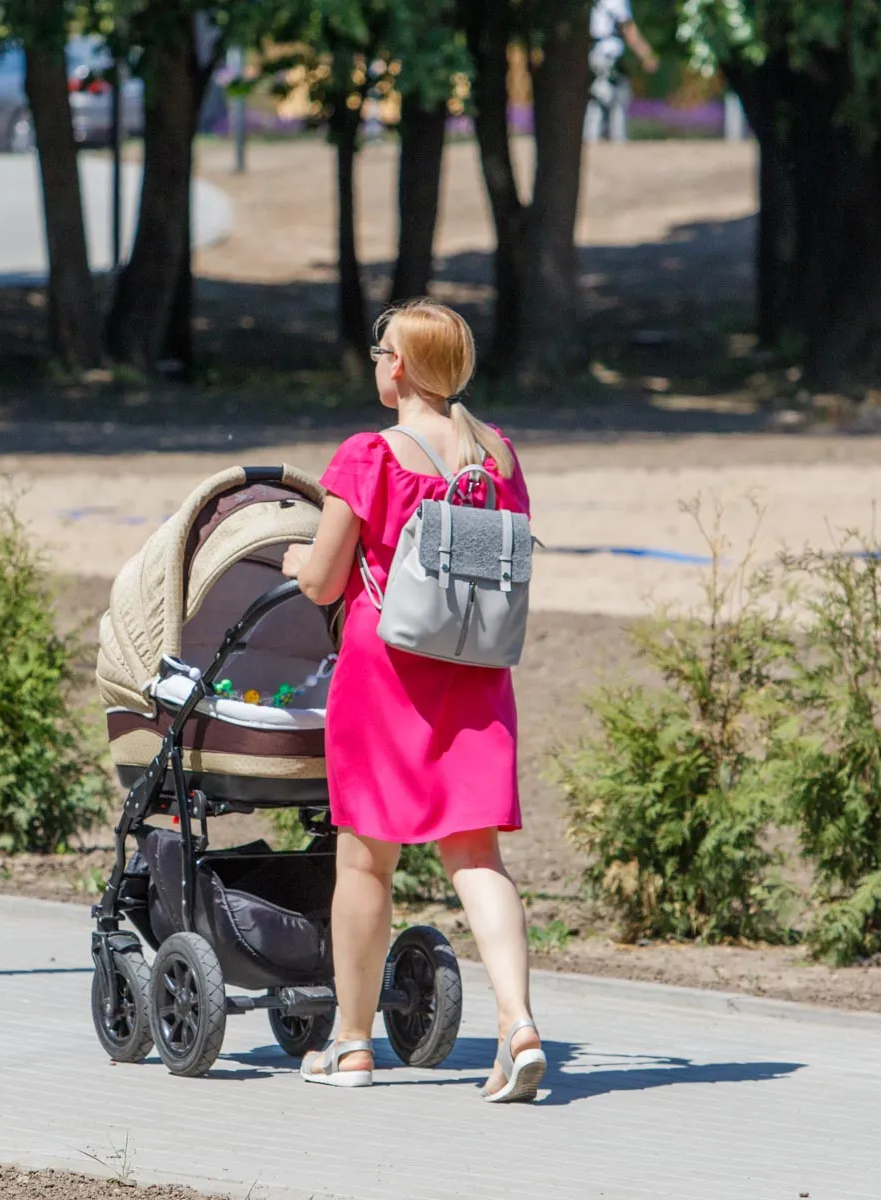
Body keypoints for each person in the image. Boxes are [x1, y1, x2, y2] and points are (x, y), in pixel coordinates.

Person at [280, 300, 545, 1102]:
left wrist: (296, 559)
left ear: (398, 368)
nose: (375, 360)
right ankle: (519, 1022)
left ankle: (353, 1046)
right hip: (474, 670)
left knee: (366, 860)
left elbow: (326, 579)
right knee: (477, 858)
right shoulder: (496, 456)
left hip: (387, 672)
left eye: (380, 350)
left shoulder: (372, 455)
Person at [584, 0, 658, 144]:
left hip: (593, 54)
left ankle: (592, 140)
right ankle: (617, 140)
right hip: (608, 55)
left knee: (596, 99)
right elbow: (628, 28)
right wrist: (646, 54)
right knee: (617, 99)